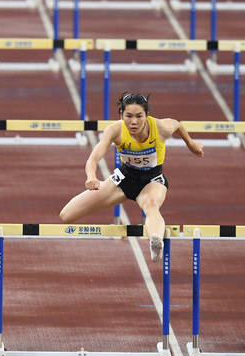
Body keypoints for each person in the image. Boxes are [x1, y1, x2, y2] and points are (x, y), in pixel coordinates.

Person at [59, 92, 204, 262]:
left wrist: (192, 144)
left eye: (139, 116)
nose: (134, 122)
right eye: (128, 116)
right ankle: (155, 236)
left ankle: (155, 241)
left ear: (146, 115)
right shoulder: (115, 130)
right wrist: (91, 176)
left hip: (152, 180)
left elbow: (177, 125)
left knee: (151, 205)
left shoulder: (160, 127)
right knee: (67, 215)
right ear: (121, 114)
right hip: (124, 178)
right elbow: (94, 157)